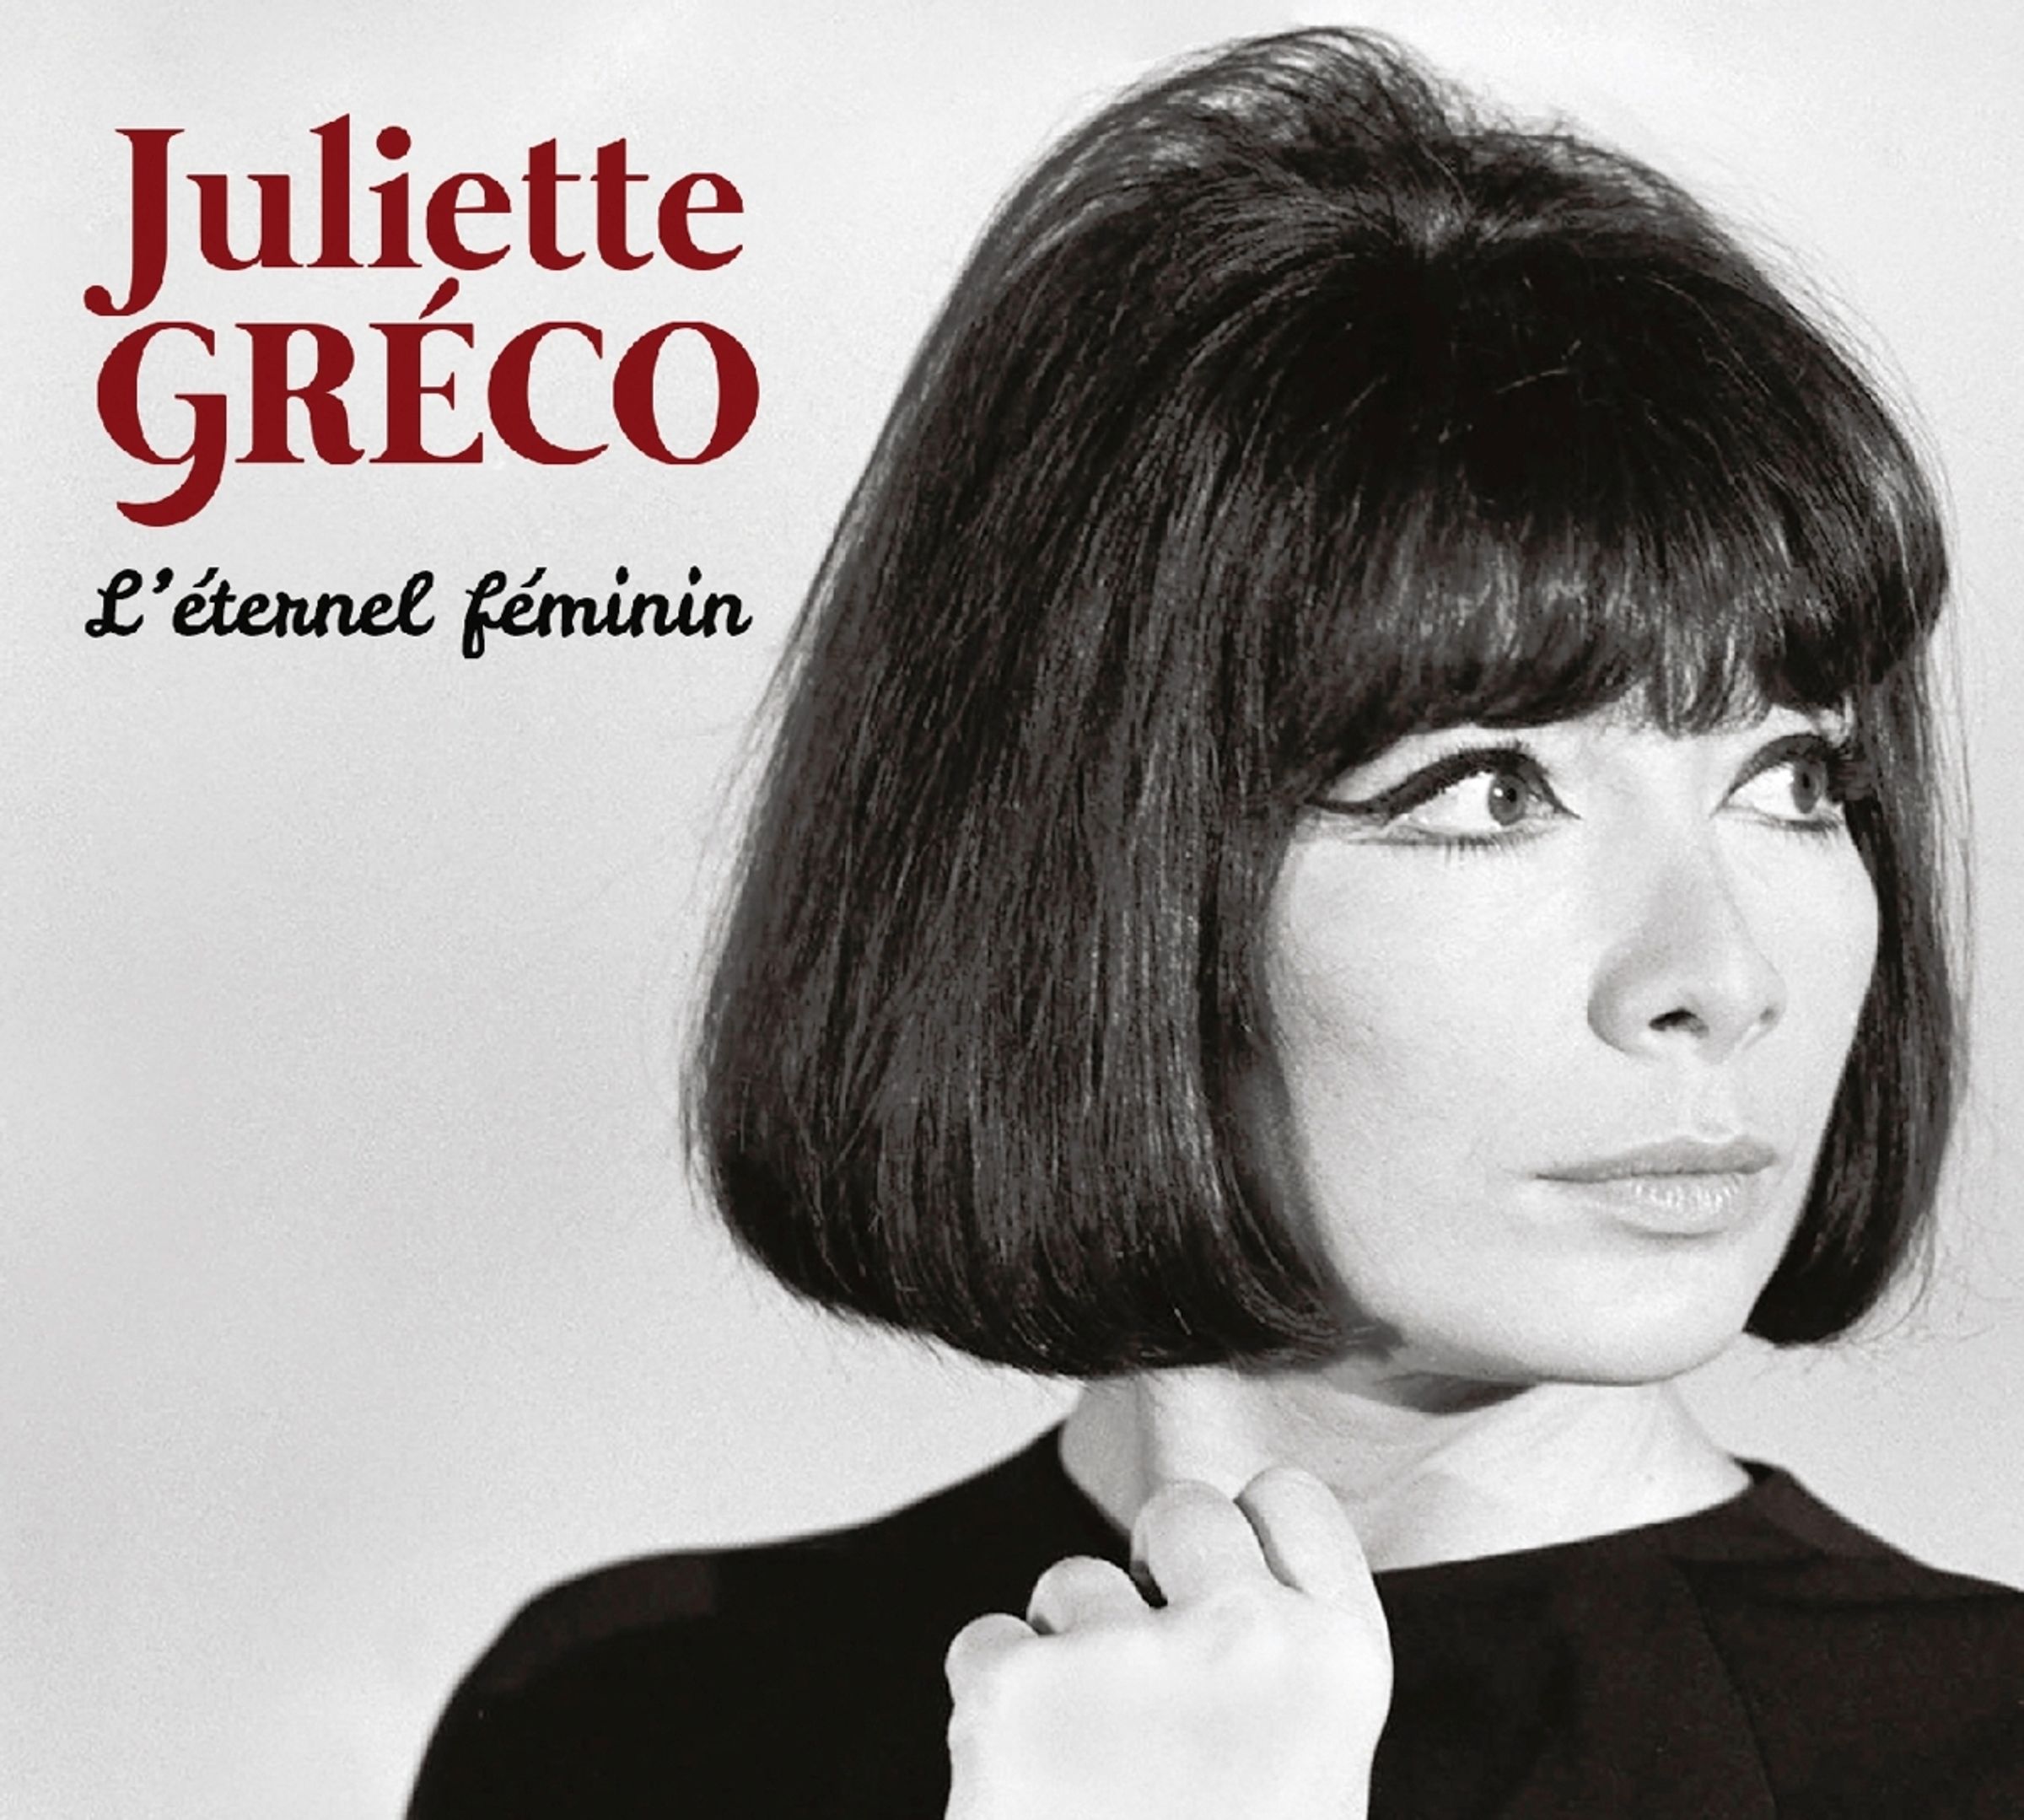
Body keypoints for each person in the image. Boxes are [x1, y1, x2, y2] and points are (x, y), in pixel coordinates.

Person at [407, 28, 2023, 1817]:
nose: (1718, 977)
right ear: (1095, 866)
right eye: (1491, 789)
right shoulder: (632, 1728)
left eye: (1795, 777)